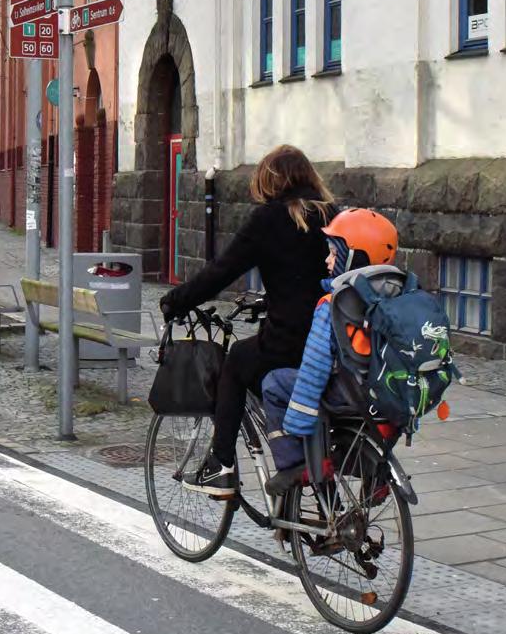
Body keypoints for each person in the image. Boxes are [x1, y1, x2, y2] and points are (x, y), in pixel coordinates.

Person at [159, 144, 338, 496]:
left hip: (290, 342)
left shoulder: (269, 220)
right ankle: (315, 497)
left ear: (269, 181)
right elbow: (308, 276)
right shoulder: (332, 214)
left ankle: (221, 463)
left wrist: (176, 301)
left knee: (239, 360)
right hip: (332, 342)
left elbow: (221, 272)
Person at [261, 208, 399, 495]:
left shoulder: (337, 303)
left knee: (274, 383)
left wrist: (299, 419)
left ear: (354, 259)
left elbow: (315, 366)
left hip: (351, 394)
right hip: (389, 396)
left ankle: (295, 464)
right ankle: (376, 477)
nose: (327, 260)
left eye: (334, 254)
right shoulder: (401, 295)